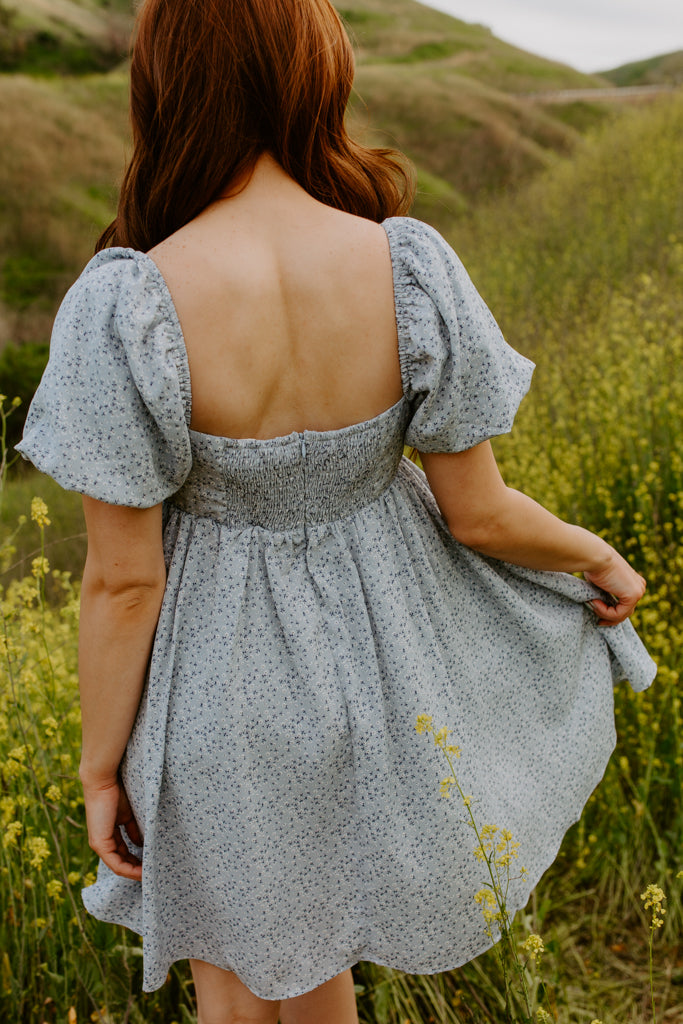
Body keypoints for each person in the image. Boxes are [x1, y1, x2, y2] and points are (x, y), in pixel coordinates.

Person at [17, 0, 655, 1021]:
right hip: (374, 672)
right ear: (312, 67)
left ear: (164, 82)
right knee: (321, 988)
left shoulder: (129, 302)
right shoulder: (402, 264)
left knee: (232, 992)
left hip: (213, 694)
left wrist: (102, 769)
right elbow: (479, 514)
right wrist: (596, 555)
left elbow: (125, 581)